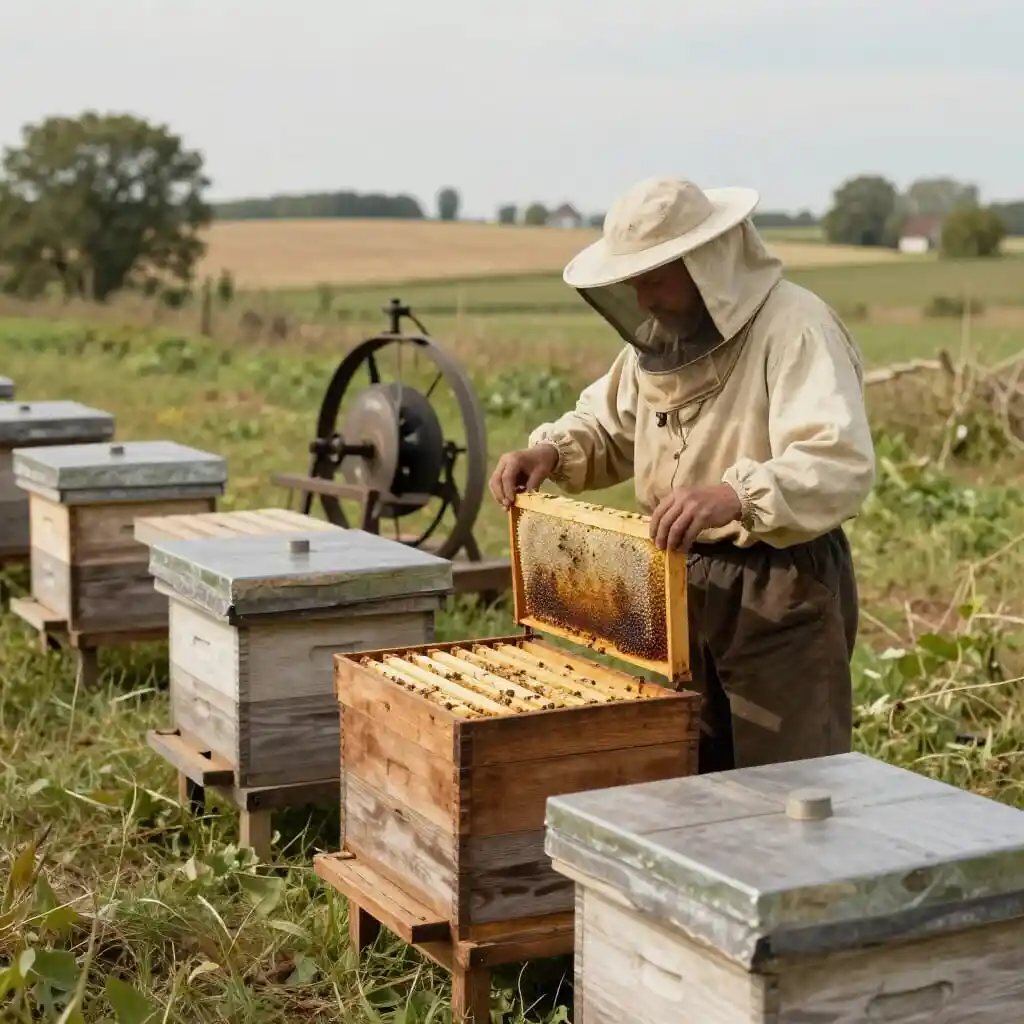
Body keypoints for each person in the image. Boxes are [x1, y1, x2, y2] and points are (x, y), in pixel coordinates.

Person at [489, 176, 876, 773]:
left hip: (779, 581)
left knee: (791, 785)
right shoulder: (663, 337)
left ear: (705, 263)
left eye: (654, 279)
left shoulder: (796, 325)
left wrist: (735, 495)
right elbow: (609, 423)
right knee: (694, 777)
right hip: (677, 576)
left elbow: (837, 460)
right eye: (632, 282)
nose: (642, 299)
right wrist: (550, 453)